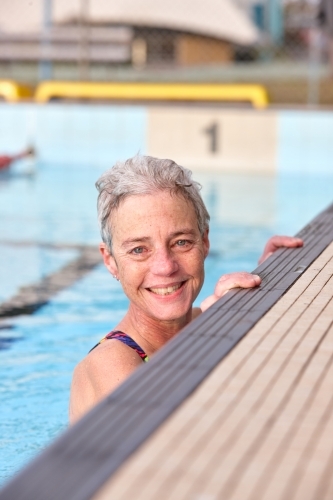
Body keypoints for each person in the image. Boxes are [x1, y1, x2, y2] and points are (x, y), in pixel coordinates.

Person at [69, 155, 303, 423]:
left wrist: (266, 281)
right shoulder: (112, 365)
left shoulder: (197, 323)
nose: (165, 267)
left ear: (204, 241)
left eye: (181, 242)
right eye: (138, 250)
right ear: (110, 261)